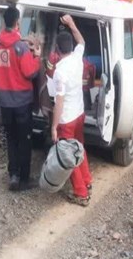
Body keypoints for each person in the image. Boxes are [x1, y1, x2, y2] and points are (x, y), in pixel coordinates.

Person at [0, 5, 41, 191]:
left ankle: (13, 175)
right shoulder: (21, 47)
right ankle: (25, 180)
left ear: (5, 22)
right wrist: (37, 57)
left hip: (5, 102)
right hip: (22, 103)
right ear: (18, 22)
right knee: (25, 140)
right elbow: (30, 72)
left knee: (11, 139)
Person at [51, 14, 93, 207]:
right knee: (80, 148)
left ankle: (81, 193)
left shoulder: (59, 71)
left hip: (67, 117)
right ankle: (88, 181)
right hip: (79, 113)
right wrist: (71, 24)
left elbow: (59, 101)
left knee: (70, 155)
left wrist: (54, 126)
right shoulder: (78, 58)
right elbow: (82, 41)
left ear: (57, 50)